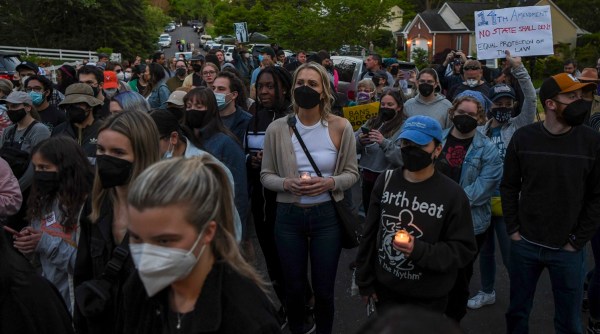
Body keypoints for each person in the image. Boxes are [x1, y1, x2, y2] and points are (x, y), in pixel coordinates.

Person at [119, 156, 281, 333]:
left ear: (208, 232)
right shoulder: (139, 287)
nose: (147, 254)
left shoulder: (247, 317)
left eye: (164, 241)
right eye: (136, 238)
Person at [261, 62, 359, 334]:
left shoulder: (341, 127)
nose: (306, 88)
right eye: (300, 83)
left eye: (313, 84)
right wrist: (286, 183)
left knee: (325, 291)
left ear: (325, 91)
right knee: (293, 290)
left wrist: (329, 182)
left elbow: (352, 173)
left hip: (327, 218)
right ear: (293, 90)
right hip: (288, 218)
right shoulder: (277, 129)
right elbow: (266, 175)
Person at [502, 73, 600, 334]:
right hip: (526, 246)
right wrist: (513, 230)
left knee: (569, 322)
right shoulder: (524, 138)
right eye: (571, 96)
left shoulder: (591, 142)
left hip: (567, 251)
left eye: (581, 96)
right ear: (550, 104)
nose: (580, 102)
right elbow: (509, 186)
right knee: (517, 312)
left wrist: (576, 241)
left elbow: (597, 196)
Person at [356, 114, 477, 314]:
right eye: (405, 143)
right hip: (386, 292)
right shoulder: (385, 181)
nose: (411, 150)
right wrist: (364, 281)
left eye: (420, 145)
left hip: (429, 298)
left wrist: (418, 250)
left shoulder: (452, 194)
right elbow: (369, 234)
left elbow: (463, 250)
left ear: (437, 150)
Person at [73, 110, 160, 334]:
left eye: (118, 152)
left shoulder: (165, 212)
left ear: (142, 155)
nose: (106, 158)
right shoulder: (97, 205)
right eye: (101, 150)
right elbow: (83, 274)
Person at [468, 51, 536, 310]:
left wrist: (519, 69)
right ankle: (487, 291)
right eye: (499, 104)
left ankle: (521, 295)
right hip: (484, 201)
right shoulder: (481, 131)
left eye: (508, 103)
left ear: (513, 106)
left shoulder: (519, 127)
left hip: (510, 202)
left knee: (511, 254)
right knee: (485, 252)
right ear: (491, 106)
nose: (503, 107)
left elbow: (531, 97)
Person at [434, 90, 502, 322]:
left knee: (460, 277)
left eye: (471, 114)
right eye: (461, 112)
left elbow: (483, 189)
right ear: (452, 112)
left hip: (469, 224)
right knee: (434, 270)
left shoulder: (488, 150)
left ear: (480, 118)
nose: (465, 116)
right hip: (433, 219)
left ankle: (452, 321)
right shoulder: (437, 140)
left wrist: (444, 202)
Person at [14, 136, 94, 313]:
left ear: (66, 167)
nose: (39, 174)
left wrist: (43, 242)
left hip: (77, 305)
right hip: (50, 301)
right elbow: (41, 259)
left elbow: (85, 264)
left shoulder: (88, 207)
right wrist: (29, 245)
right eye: (35, 168)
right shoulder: (43, 200)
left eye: (44, 168)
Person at [246, 65, 293, 320]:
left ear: (283, 88)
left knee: (289, 259)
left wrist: (274, 161)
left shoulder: (295, 117)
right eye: (260, 86)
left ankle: (301, 304)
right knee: (272, 260)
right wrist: (251, 161)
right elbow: (244, 151)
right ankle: (285, 304)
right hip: (260, 203)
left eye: (269, 86)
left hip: (286, 203)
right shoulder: (255, 117)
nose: (263, 91)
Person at [183, 88, 248, 242]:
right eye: (189, 106)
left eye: (199, 107)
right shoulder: (183, 140)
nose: (193, 110)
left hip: (219, 222)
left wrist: (238, 232)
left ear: (210, 109)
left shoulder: (226, 142)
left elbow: (238, 191)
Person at [0, 229, 75, 334]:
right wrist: (30, 250)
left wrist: (44, 243)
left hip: (75, 308)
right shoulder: (37, 214)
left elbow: (86, 264)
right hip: (51, 304)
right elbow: (40, 266)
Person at [0, 91, 51, 215]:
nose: (10, 110)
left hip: (29, 191)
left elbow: (36, 166)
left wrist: (17, 190)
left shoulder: (39, 130)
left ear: (28, 107)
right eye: (8, 107)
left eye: (14, 106)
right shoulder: (8, 131)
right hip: (10, 190)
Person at [356, 89, 405, 215]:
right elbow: (352, 145)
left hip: (389, 181)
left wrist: (383, 142)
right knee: (368, 213)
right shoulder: (372, 121)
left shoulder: (403, 126)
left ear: (398, 107)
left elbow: (402, 157)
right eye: (383, 104)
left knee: (384, 216)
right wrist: (361, 141)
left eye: (390, 105)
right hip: (367, 178)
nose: (385, 108)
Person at [53, 83, 103, 161]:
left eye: (78, 104)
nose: (72, 108)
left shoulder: (103, 130)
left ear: (90, 105)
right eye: (68, 104)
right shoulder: (59, 131)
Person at [213, 71, 252, 145]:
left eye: (221, 89)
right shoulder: (206, 118)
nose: (215, 92)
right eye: (213, 88)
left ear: (233, 95)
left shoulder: (247, 121)